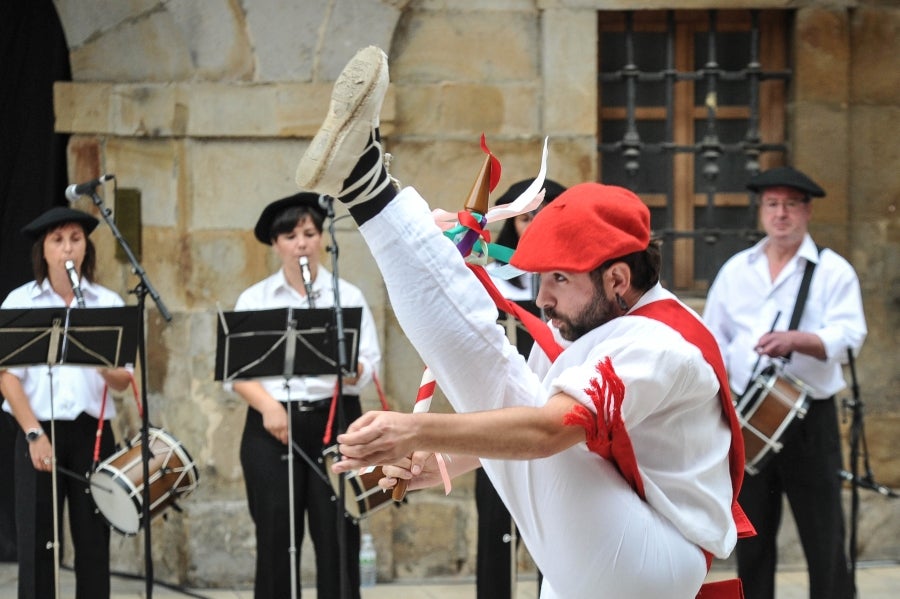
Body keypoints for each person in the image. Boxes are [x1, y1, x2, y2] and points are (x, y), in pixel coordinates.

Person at [295, 46, 749, 598]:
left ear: (618, 281)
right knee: (506, 385)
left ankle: (367, 186)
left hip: (660, 556)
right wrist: (438, 461)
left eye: (559, 279)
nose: (543, 298)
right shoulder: (580, 324)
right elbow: (531, 425)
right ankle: (367, 187)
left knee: (495, 373)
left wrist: (414, 428)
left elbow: (543, 433)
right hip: (617, 545)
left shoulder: (662, 345)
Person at [702, 167, 867, 599]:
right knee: (752, 532)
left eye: (791, 205)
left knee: (823, 532)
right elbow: (712, 337)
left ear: (807, 211)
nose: (781, 214)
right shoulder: (738, 269)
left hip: (810, 418)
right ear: (761, 211)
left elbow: (851, 334)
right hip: (748, 414)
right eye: (772, 205)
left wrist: (801, 340)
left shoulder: (833, 271)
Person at [230, 191, 381, 599]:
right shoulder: (255, 299)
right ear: (276, 244)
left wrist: (352, 366)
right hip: (271, 423)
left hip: (335, 419)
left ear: (321, 239)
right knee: (277, 534)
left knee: (338, 533)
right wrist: (269, 407)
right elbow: (237, 372)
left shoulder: (346, 296)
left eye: (310, 233)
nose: (301, 243)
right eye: (291, 236)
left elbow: (369, 366)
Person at [0, 206, 133, 599]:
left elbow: (124, 380)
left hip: (92, 433)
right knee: (38, 539)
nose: (67, 249)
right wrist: (34, 433)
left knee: (93, 542)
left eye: (75, 239)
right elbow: (7, 378)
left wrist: (103, 361)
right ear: (44, 251)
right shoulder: (20, 300)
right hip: (38, 430)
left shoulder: (105, 302)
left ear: (86, 247)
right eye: (57, 241)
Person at [477, 178, 564, 598]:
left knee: (560, 534)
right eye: (526, 218)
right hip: (499, 417)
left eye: (544, 217)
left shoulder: (575, 289)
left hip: (557, 420)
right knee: (496, 530)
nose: (534, 226)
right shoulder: (489, 281)